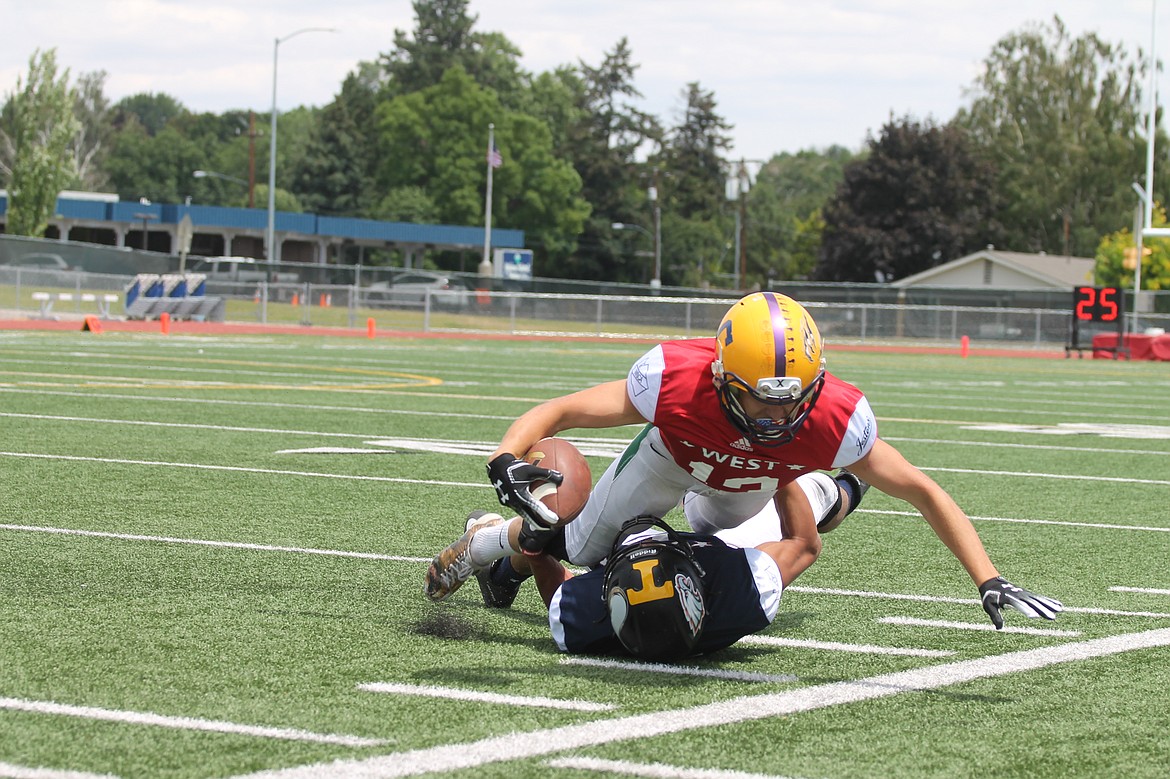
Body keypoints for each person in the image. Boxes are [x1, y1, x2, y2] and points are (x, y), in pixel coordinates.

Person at [425, 291, 1062, 633]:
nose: (776, 417)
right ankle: (493, 542)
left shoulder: (837, 418)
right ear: (723, 374)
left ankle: (515, 556)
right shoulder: (675, 379)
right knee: (578, 545)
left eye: (791, 402)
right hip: (670, 463)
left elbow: (921, 490)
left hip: (739, 493)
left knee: (726, 560)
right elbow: (561, 411)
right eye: (758, 397)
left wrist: (987, 575)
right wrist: (506, 456)